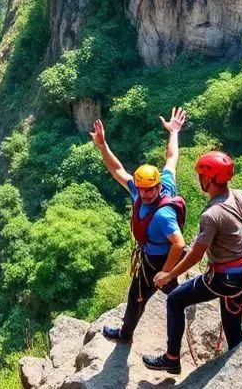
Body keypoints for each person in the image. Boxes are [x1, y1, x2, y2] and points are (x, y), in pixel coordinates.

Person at [141, 150, 242, 375]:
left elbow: (196, 254)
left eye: (201, 176)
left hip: (222, 278)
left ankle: (171, 358)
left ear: (208, 179)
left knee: (176, 300)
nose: (199, 180)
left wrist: (167, 275)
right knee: (232, 328)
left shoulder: (212, 214)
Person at [89, 107, 188, 345]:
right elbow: (121, 170)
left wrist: (165, 271)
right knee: (172, 296)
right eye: (141, 189)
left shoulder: (163, 214)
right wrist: (174, 132)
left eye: (148, 190)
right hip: (156, 255)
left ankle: (128, 336)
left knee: (137, 297)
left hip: (157, 260)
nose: (143, 194)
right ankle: (171, 340)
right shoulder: (154, 185)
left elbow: (179, 243)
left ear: (156, 187)